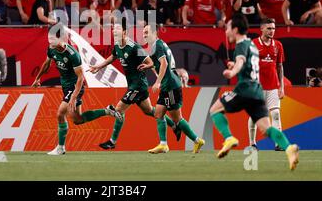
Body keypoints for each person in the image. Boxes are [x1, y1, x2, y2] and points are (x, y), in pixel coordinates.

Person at [209, 13, 299, 170]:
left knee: (214, 110)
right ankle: (289, 149)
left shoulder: (241, 45)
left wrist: (233, 71)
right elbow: (247, 63)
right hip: (258, 91)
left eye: (228, 27)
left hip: (246, 89)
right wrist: (236, 66)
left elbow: (241, 61)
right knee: (266, 127)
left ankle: (229, 138)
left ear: (236, 29)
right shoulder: (252, 44)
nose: (226, 31)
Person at [31, 24, 122, 155]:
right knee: (77, 119)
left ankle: (60, 148)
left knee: (60, 114)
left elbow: (81, 78)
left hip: (75, 87)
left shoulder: (73, 54)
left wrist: (74, 95)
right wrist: (38, 78)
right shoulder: (51, 49)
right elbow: (47, 64)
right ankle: (107, 111)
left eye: (52, 38)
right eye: (48, 38)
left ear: (60, 37)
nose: (49, 41)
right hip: (66, 87)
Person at [89, 18, 178, 150]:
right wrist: (98, 66)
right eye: (113, 29)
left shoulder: (134, 47)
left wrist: (156, 78)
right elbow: (112, 58)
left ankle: (112, 141)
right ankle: (174, 125)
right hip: (132, 85)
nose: (114, 31)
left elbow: (150, 61)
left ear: (125, 32)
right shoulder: (117, 46)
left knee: (118, 109)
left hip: (138, 85)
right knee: (150, 111)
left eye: (117, 29)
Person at [142, 24, 205, 154]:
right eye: (143, 33)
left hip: (170, 85)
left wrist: (157, 82)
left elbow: (164, 63)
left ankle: (197, 140)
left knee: (177, 119)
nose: (144, 35)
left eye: (146, 32)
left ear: (154, 33)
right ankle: (163, 145)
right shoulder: (159, 44)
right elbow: (160, 62)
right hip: (167, 85)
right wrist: (148, 66)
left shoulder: (157, 46)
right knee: (158, 114)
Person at [250, 18, 286, 151]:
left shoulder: (278, 45)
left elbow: (280, 67)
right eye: (269, 28)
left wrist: (281, 87)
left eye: (274, 28)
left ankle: (278, 143)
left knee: (276, 114)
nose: (272, 31)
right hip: (257, 87)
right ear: (262, 29)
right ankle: (252, 143)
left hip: (273, 86)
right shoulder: (253, 44)